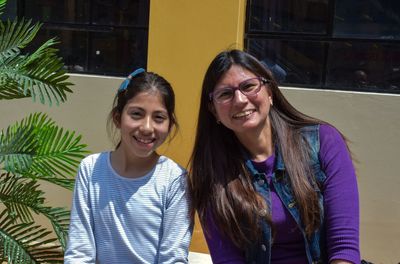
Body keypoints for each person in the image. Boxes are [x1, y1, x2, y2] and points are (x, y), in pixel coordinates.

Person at [189, 50, 360, 264]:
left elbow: (344, 248)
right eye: (225, 94)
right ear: (213, 110)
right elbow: (227, 261)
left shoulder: (324, 141)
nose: (240, 100)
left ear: (269, 92)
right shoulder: (210, 175)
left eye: (248, 86)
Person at [64, 68, 193, 263]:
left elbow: (173, 258)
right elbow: (79, 252)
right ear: (118, 118)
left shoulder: (175, 179)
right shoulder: (91, 169)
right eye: (136, 114)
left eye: (158, 117)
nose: (147, 127)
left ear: (170, 125)